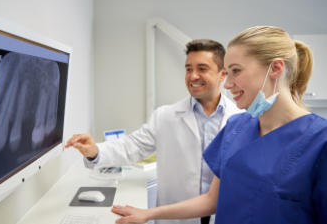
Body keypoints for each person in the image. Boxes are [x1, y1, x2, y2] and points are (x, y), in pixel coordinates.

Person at [111, 26, 327, 224]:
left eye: (236, 71)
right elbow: (211, 200)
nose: (228, 83)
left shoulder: (320, 142)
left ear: (276, 68)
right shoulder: (236, 128)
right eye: (227, 71)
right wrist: (149, 214)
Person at [65, 39, 243, 224]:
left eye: (202, 69)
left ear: (222, 75)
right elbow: (131, 146)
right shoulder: (165, 116)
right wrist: (95, 152)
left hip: (224, 216)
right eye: (189, 69)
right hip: (175, 218)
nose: (193, 76)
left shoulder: (241, 119)